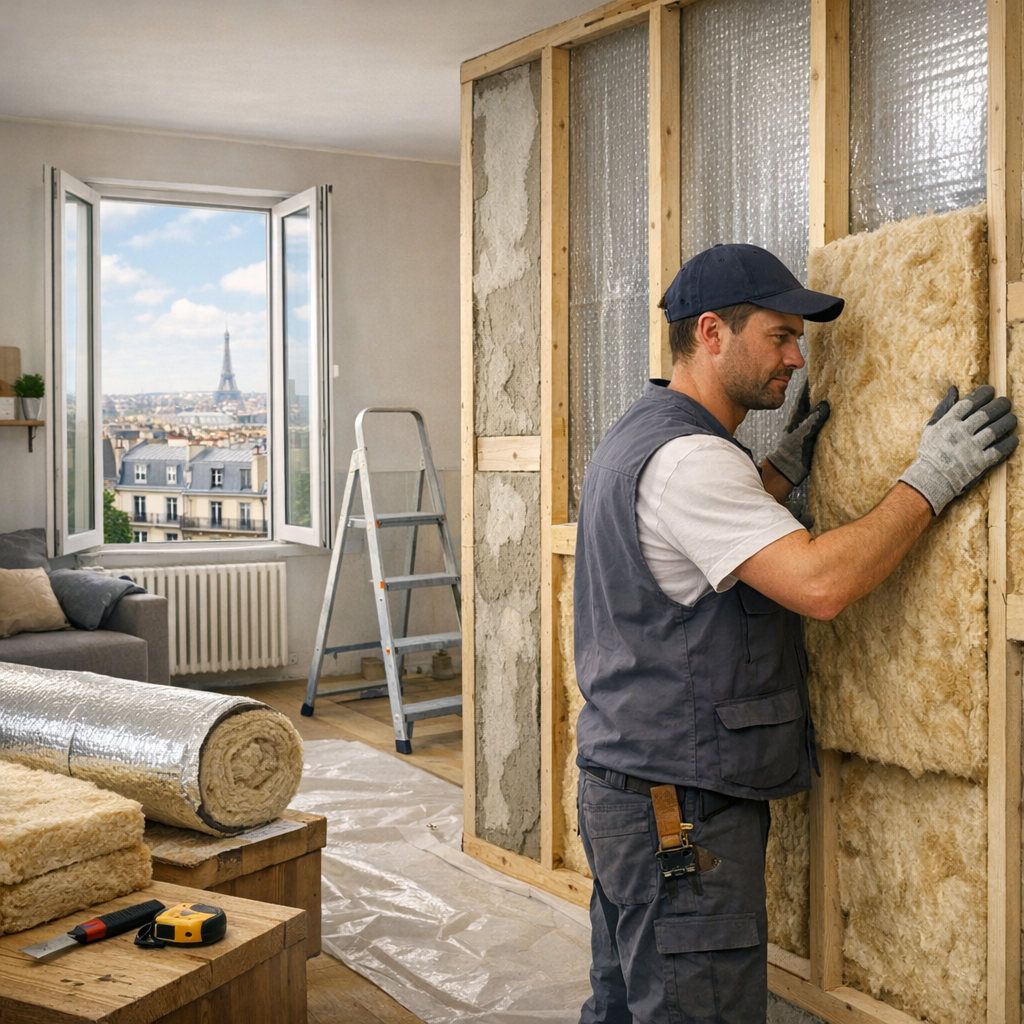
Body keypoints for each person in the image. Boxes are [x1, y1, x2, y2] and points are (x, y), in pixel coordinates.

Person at [572, 243, 1018, 1024]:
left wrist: (775, 476)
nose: (797, 357)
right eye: (779, 336)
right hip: (678, 811)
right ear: (711, 333)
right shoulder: (691, 462)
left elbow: (689, 558)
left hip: (633, 790)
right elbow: (820, 584)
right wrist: (930, 480)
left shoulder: (644, 435)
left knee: (628, 1006)